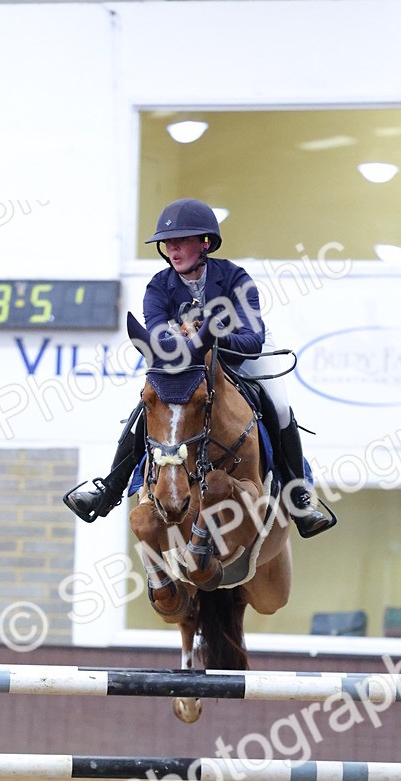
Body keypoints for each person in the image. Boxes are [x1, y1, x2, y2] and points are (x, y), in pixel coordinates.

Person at [63, 198, 334, 537]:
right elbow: (160, 335)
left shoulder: (236, 278)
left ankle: (300, 496)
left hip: (241, 355)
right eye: (168, 243)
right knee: (145, 408)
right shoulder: (159, 286)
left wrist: (213, 341)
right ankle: (111, 487)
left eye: (181, 241)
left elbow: (252, 340)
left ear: (204, 243)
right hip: (187, 362)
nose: (172, 249)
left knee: (279, 406)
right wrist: (184, 343)